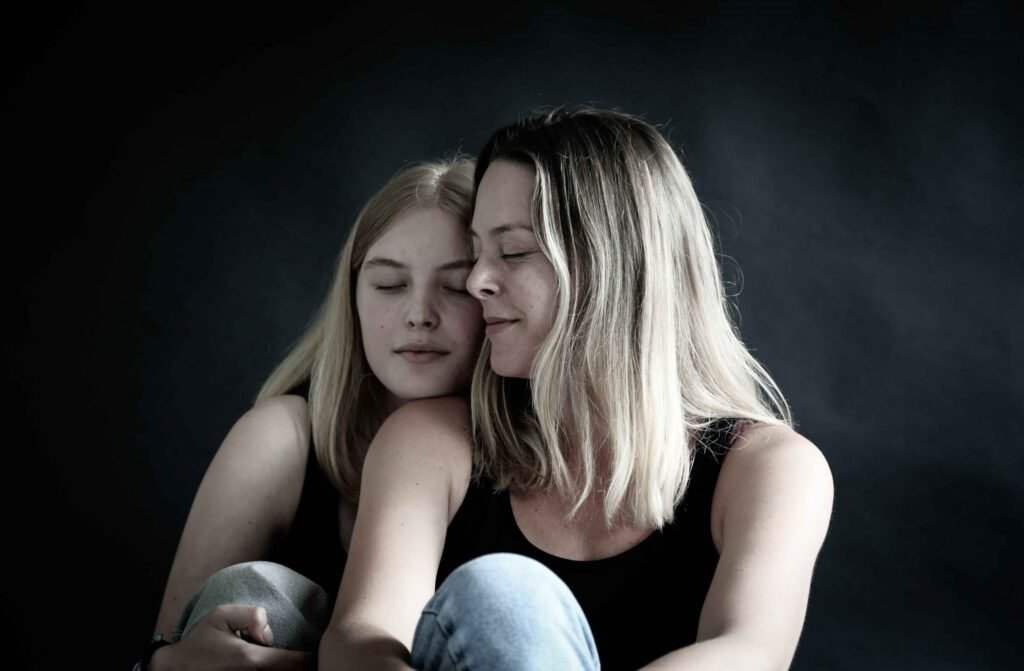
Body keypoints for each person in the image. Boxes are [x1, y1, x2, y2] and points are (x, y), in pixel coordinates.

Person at [320, 108, 834, 670]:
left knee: (504, 596)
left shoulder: (770, 468)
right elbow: (361, 636)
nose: (477, 280)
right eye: (476, 252)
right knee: (499, 598)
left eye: (513, 252)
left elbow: (749, 652)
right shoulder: (430, 441)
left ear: (613, 264)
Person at [137, 157, 484, 671]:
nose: (419, 314)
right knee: (256, 591)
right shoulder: (281, 438)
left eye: (455, 287)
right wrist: (171, 662)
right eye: (390, 284)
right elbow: (165, 650)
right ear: (353, 297)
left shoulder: (535, 456)